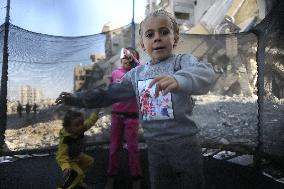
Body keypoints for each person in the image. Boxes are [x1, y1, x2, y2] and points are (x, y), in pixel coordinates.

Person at [56, 9, 215, 189]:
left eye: (164, 32)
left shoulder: (181, 62)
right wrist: (77, 98)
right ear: (143, 43)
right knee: (160, 183)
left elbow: (206, 74)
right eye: (150, 34)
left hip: (185, 145)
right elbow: (108, 93)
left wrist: (179, 80)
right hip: (155, 148)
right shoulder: (137, 74)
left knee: (192, 183)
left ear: (175, 38)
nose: (157, 38)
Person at [104, 47, 142, 189]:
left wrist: (134, 61)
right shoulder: (115, 73)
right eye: (125, 57)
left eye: (131, 58)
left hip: (132, 117)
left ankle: (136, 177)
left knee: (133, 148)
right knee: (114, 148)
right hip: (116, 116)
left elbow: (143, 68)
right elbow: (111, 89)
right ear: (120, 60)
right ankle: (111, 176)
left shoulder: (137, 72)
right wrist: (108, 82)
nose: (127, 59)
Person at [56, 110, 99, 189]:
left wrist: (96, 113)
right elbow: (61, 156)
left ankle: (78, 181)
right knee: (77, 173)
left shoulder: (80, 129)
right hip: (69, 160)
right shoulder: (66, 140)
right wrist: (66, 167)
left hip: (77, 155)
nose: (81, 126)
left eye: (81, 123)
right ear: (68, 127)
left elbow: (89, 122)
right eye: (77, 125)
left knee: (89, 161)